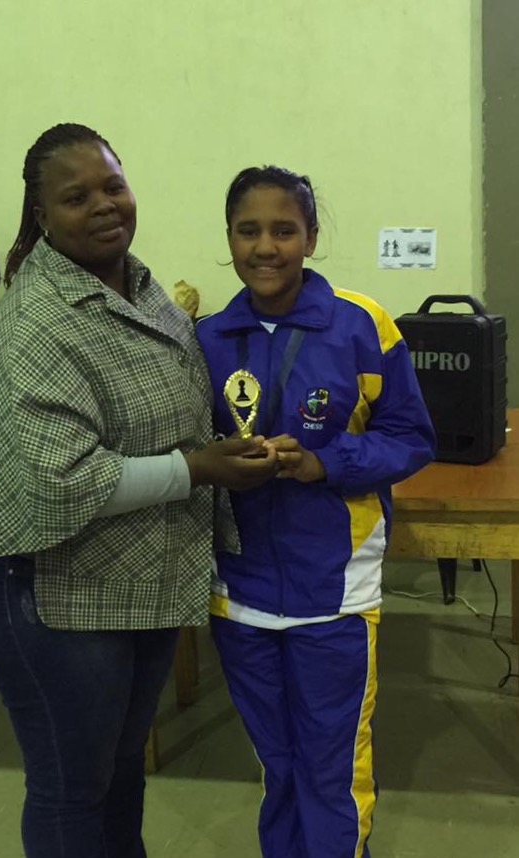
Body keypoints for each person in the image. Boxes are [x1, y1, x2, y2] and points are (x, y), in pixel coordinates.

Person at [0, 123, 279, 858]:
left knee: (121, 770)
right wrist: (201, 468)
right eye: (77, 198)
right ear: (42, 216)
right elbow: (61, 479)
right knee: (72, 787)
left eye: (113, 186)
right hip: (47, 585)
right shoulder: (36, 321)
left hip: (132, 575)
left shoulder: (140, 286)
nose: (103, 205)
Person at [196, 166, 436, 858]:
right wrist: (219, 460)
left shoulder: (360, 325)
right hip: (239, 593)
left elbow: (410, 438)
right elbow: (189, 449)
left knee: (332, 770)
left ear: (310, 236)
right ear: (229, 238)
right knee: (278, 766)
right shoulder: (207, 338)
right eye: (248, 231)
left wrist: (323, 463)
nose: (265, 247)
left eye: (283, 230)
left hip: (334, 593)